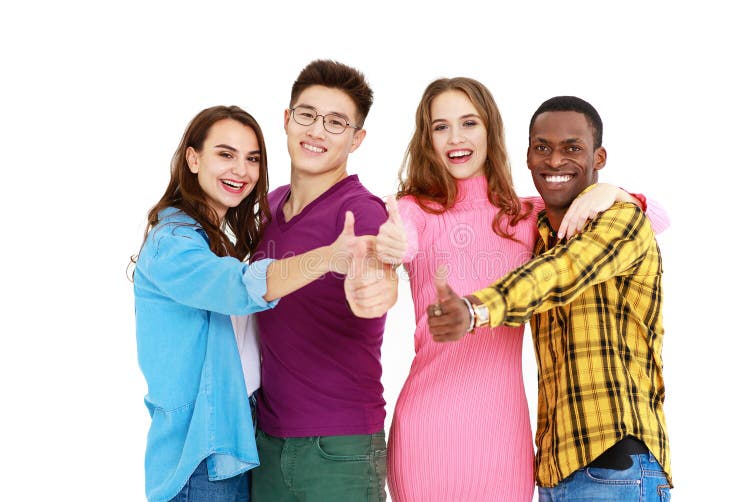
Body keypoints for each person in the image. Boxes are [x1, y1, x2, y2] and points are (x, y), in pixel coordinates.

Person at [370, 78, 668, 502]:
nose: (456, 138)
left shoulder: (528, 216)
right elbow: (400, 242)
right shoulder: (412, 211)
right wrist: (392, 244)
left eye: (469, 123)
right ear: (427, 138)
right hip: (427, 425)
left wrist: (614, 191)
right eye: (440, 127)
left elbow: (654, 220)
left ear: (490, 131)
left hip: (505, 434)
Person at [134, 105, 368, 502]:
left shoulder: (216, 240)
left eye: (252, 158)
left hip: (237, 441)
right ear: (193, 159)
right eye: (225, 154)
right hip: (201, 458)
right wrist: (328, 256)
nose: (240, 170)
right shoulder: (172, 243)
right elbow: (236, 288)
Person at [249, 60, 397, 502]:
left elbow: (378, 279)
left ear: (357, 139)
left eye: (336, 123)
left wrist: (376, 289)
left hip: (340, 450)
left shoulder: (360, 212)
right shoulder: (270, 206)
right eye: (307, 115)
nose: (316, 131)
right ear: (287, 119)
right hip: (267, 444)